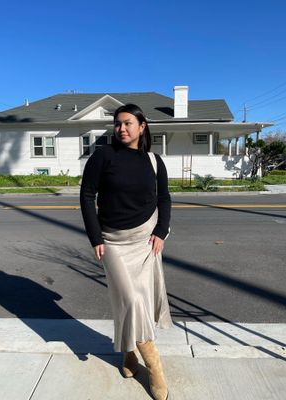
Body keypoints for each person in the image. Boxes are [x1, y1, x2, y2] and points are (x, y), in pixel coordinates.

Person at [80, 103, 172, 400]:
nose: (121, 128)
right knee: (131, 301)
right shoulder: (103, 156)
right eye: (118, 123)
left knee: (136, 303)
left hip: (145, 241)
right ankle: (155, 367)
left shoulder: (154, 161)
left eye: (128, 123)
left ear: (142, 126)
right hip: (113, 242)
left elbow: (165, 199)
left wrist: (160, 231)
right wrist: (95, 237)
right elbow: (87, 195)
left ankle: (130, 355)